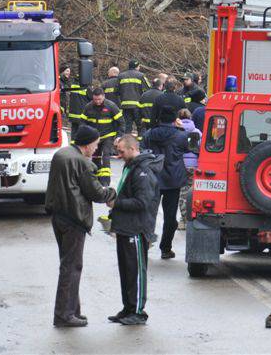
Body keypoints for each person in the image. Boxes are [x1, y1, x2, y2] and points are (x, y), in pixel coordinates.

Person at [45, 125, 116, 328]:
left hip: (59, 215)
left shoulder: (62, 154)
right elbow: (97, 193)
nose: (96, 148)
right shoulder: (82, 163)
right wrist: (112, 193)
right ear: (87, 144)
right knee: (71, 267)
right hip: (74, 218)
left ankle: (72, 311)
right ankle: (64, 315)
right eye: (95, 144)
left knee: (68, 264)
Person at [106, 134, 161, 326]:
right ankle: (128, 307)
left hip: (136, 228)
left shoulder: (143, 171)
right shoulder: (130, 166)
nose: (118, 155)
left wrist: (116, 203)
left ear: (132, 149)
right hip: (125, 227)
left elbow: (142, 202)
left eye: (121, 151)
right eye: (117, 151)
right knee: (126, 270)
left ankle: (138, 311)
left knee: (136, 271)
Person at [143, 107, 191, 259]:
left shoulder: (148, 134)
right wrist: (182, 128)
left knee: (149, 213)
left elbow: (143, 152)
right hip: (172, 180)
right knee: (170, 217)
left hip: (152, 178)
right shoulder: (181, 136)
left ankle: (144, 245)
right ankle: (165, 248)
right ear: (173, 120)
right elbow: (190, 148)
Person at [77, 88, 124, 185]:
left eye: (99, 99)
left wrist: (119, 136)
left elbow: (121, 123)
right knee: (95, 158)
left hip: (108, 136)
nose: (97, 102)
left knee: (105, 156)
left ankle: (105, 182)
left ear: (104, 97)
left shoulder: (111, 106)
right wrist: (85, 133)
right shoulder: (88, 107)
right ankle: (96, 181)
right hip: (94, 138)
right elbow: (82, 122)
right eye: (95, 100)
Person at [176, 108, 201, 230]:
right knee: (194, 193)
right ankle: (194, 218)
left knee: (183, 194)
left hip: (182, 166)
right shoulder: (197, 132)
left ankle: (184, 220)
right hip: (195, 167)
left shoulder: (176, 131)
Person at [116, 61, 149, 135]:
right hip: (137, 106)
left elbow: (116, 90)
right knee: (140, 126)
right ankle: (140, 144)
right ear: (137, 67)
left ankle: (127, 143)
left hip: (125, 106)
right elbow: (148, 89)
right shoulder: (141, 75)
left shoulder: (121, 76)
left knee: (127, 126)